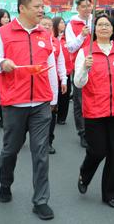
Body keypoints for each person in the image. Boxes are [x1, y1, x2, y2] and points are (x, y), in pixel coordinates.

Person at [0, 0, 59, 220]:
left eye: (42, 7)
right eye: (37, 6)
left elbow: (50, 66)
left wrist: (53, 97)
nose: (41, 10)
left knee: (41, 153)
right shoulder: (3, 33)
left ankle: (41, 201)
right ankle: (5, 184)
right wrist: (2, 63)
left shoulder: (45, 34)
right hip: (14, 103)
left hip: (40, 103)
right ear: (22, 8)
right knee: (11, 150)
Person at [74, 14, 114, 208]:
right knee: (98, 150)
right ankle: (85, 172)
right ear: (94, 30)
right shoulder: (85, 53)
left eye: (107, 25)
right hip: (94, 111)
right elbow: (78, 82)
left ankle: (110, 194)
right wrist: (84, 67)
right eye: (99, 25)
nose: (103, 28)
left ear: (113, 30)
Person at [65, 0, 93, 148]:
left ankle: (94, 129)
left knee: (95, 97)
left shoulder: (97, 21)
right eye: (83, 6)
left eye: (89, 5)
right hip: (80, 66)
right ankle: (82, 132)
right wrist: (82, 35)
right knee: (80, 100)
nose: (87, 8)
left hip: (97, 64)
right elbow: (70, 47)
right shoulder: (72, 24)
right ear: (78, 8)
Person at [40, 17, 67, 155]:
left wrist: (64, 80)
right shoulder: (35, 40)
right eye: (44, 24)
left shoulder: (56, 42)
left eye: (49, 25)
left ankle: (49, 141)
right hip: (37, 84)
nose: (47, 27)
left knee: (51, 112)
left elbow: (60, 62)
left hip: (52, 82)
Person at [52, 16, 73, 125]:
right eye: (60, 22)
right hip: (53, 72)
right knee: (55, 93)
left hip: (66, 71)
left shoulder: (67, 39)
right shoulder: (51, 38)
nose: (63, 24)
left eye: (64, 22)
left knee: (65, 95)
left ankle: (62, 117)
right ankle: (53, 112)